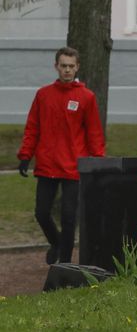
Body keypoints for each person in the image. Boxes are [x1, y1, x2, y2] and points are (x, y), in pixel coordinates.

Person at [17, 47, 105, 265]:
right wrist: (25, 155)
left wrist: (97, 162)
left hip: (73, 167)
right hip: (47, 164)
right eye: (63, 65)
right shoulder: (43, 95)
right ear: (56, 66)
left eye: (71, 66)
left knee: (68, 216)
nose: (67, 70)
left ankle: (64, 263)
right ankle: (56, 243)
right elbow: (32, 128)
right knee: (41, 213)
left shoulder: (87, 97)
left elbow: (94, 132)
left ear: (77, 67)